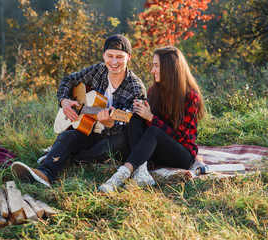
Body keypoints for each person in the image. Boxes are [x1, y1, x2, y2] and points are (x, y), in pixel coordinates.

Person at [11, 34, 146, 187]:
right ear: (103, 56)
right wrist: (64, 101)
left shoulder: (135, 87)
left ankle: (65, 156)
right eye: (110, 56)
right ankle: (45, 174)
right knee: (67, 135)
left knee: (119, 143)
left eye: (119, 57)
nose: (114, 62)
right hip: (89, 131)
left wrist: (110, 123)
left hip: (112, 138)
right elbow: (68, 80)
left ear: (129, 57)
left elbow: (134, 126)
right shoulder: (98, 71)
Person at [98, 46, 205, 193]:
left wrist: (151, 118)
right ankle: (141, 172)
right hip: (158, 152)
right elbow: (148, 130)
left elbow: (180, 137)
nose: (152, 70)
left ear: (170, 69)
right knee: (135, 117)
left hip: (182, 156)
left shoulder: (191, 97)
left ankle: (120, 176)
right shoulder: (154, 91)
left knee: (154, 130)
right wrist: (140, 115)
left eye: (156, 66)